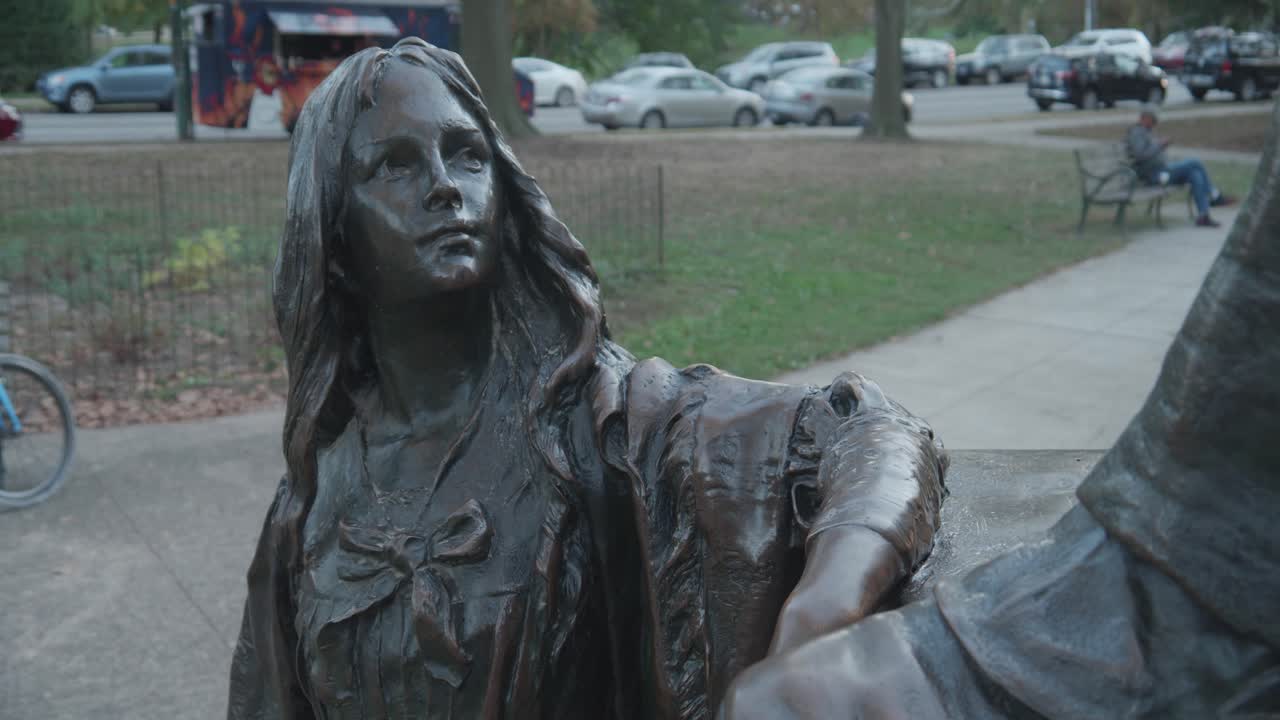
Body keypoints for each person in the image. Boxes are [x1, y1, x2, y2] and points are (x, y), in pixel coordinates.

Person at [227, 38, 947, 719]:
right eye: (394, 166)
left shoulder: (607, 425)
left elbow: (870, 434)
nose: (445, 187)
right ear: (335, 238)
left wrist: (817, 614)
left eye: (466, 154)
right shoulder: (311, 501)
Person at [1126, 105, 1234, 227]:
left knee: (1195, 175)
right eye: (1154, 120)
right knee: (1195, 162)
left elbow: (1150, 151)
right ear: (1145, 117)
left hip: (1163, 171)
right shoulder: (1136, 132)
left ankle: (1203, 216)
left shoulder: (1146, 132)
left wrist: (1160, 146)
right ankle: (1215, 196)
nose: (1156, 123)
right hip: (1154, 175)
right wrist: (1160, 145)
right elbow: (1140, 155)